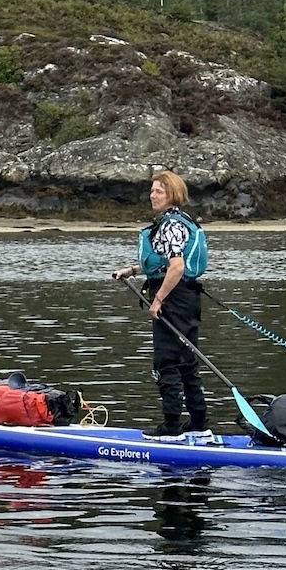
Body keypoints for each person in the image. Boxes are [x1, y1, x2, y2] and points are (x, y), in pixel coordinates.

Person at [111, 170, 212, 442]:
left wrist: (158, 300)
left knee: (166, 362)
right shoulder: (181, 221)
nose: (152, 195)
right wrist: (133, 270)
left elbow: (176, 266)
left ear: (172, 195)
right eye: (152, 190)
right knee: (187, 361)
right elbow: (164, 263)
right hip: (186, 298)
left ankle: (171, 427)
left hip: (174, 299)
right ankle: (200, 424)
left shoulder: (170, 224)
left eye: (159, 191)